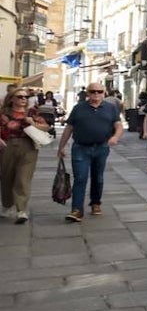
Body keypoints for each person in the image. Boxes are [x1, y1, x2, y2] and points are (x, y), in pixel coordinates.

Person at [57, 82, 123, 222]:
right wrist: (61, 146)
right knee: (80, 178)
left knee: (97, 178)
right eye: (93, 91)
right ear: (87, 93)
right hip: (81, 148)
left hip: (101, 148)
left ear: (104, 93)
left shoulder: (110, 108)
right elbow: (69, 128)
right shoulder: (79, 108)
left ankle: (95, 202)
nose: (96, 94)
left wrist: (115, 137)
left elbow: (118, 125)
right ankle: (77, 210)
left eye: (99, 91)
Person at [0, 90, 51, 224]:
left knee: (23, 178)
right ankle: (6, 204)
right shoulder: (4, 113)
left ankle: (21, 210)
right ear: (11, 99)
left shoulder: (32, 112)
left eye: (26, 97)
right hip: (7, 146)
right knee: (6, 178)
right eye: (20, 96)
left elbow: (46, 127)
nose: (24, 99)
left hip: (28, 147)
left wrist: (32, 123)